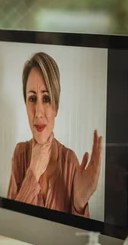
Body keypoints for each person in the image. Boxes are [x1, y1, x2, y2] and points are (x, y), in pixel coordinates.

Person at [7, 51, 102, 218]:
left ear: (56, 106)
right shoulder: (19, 154)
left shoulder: (70, 161)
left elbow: (77, 240)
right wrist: (33, 173)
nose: (38, 112)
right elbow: (10, 224)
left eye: (46, 99)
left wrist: (79, 205)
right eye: (32, 99)